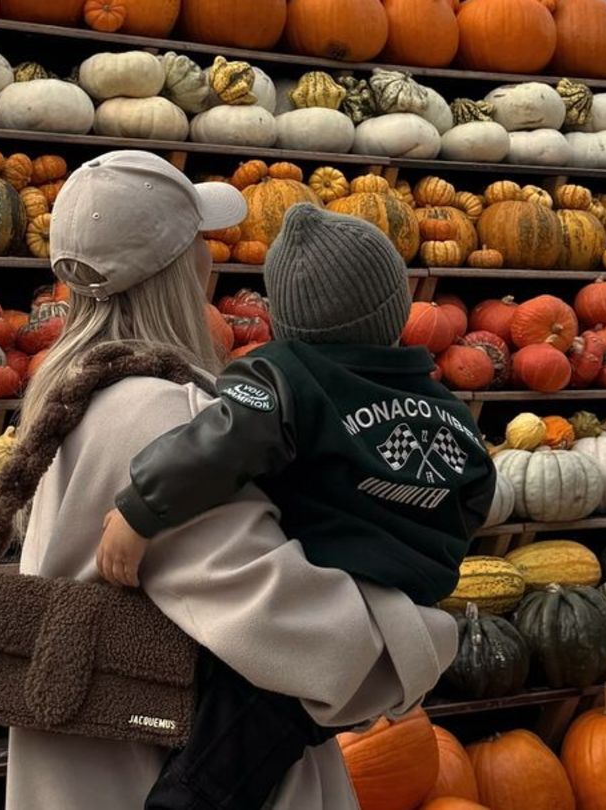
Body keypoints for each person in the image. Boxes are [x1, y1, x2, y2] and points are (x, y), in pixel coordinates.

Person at [0, 151, 457, 810]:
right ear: (177, 269)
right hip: (165, 773)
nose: (211, 258)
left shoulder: (71, 388)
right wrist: (423, 638)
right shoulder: (163, 419)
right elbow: (281, 624)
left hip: (93, 768)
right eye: (200, 242)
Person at [96, 203, 496, 809]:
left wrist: (141, 508)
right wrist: (426, 557)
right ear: (396, 312)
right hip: (394, 619)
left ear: (283, 320)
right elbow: (475, 494)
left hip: (319, 615)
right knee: (270, 744)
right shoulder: (446, 407)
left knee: (220, 759)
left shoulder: (285, 376)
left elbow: (220, 442)